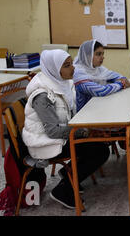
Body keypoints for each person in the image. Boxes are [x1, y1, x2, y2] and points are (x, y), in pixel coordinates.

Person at [22, 49, 110, 208]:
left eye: (71, 64)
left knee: (99, 142)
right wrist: (83, 132)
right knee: (100, 150)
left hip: (59, 137)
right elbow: (53, 131)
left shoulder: (63, 83)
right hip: (46, 143)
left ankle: (68, 175)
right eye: (67, 65)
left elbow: (72, 113)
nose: (73, 68)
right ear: (54, 69)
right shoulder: (42, 94)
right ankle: (63, 190)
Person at [73, 40, 130, 112]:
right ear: (88, 56)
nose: (102, 57)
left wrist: (122, 79)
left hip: (100, 108)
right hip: (84, 116)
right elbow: (101, 91)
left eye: (102, 54)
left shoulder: (98, 69)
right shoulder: (78, 73)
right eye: (98, 54)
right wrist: (121, 84)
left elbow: (117, 76)